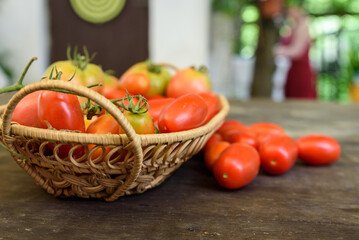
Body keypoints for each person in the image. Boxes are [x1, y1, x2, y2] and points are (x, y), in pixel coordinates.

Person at [273, 5, 317, 99]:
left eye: (292, 9)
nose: (289, 12)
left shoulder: (303, 26)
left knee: (300, 99)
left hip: (300, 70)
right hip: (292, 69)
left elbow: (297, 52)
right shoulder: (293, 26)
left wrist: (280, 50)